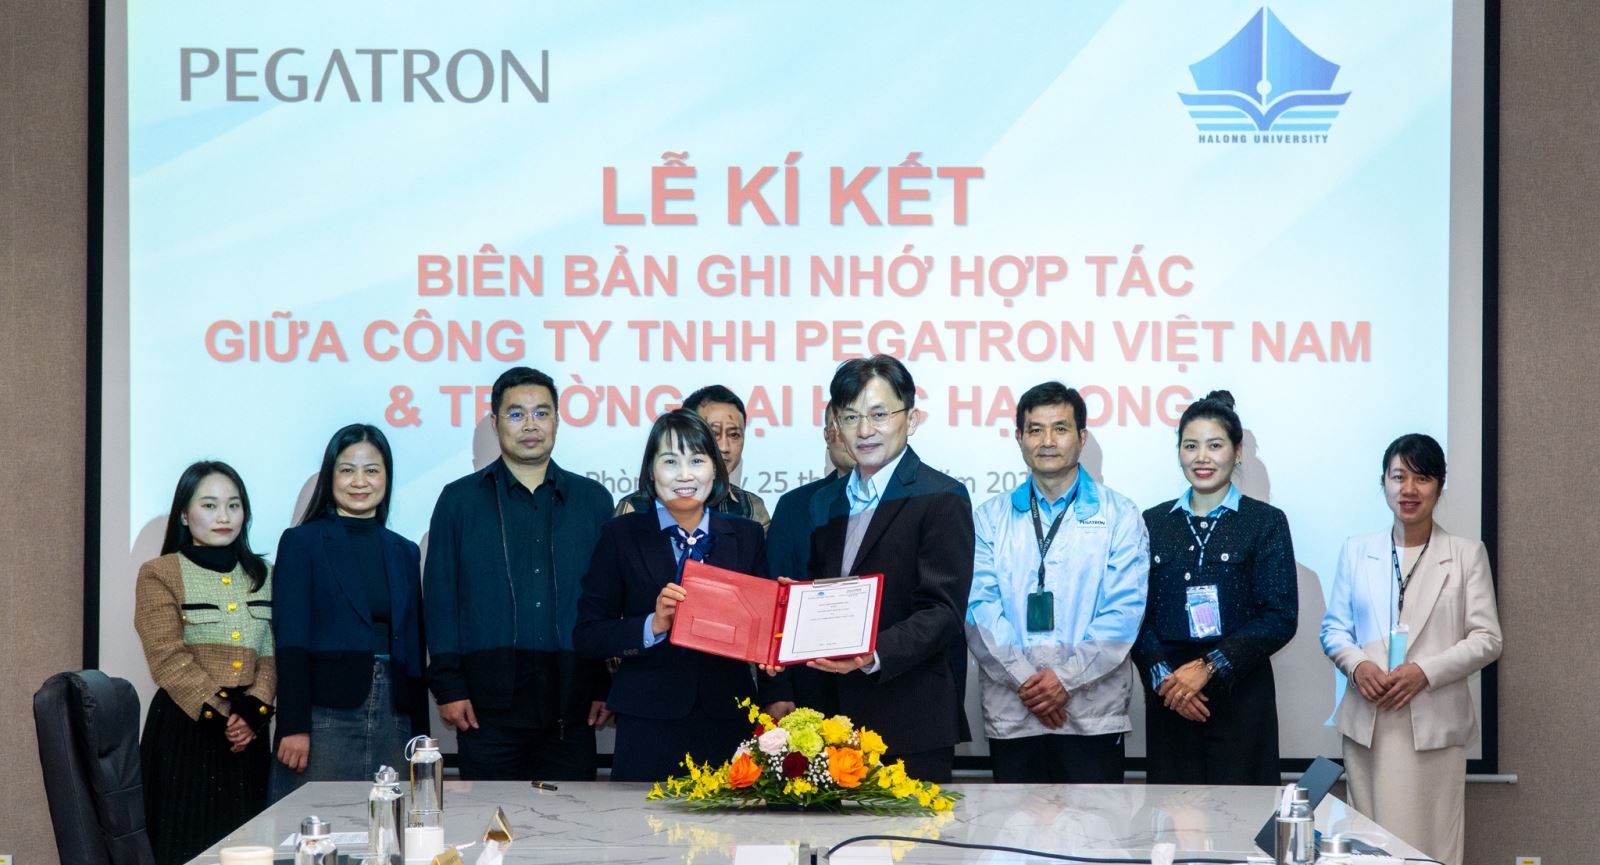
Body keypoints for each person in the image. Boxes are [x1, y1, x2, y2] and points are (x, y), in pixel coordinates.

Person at [574, 409, 792, 781]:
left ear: (715, 470)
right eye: (670, 461)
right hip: (648, 722)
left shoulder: (746, 535)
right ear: (651, 471)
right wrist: (653, 624)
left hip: (727, 719)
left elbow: (764, 628)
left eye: (697, 460)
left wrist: (777, 628)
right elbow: (588, 635)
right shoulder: (620, 535)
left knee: (727, 819)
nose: (685, 475)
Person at [424, 367, 615, 780]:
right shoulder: (458, 501)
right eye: (516, 414)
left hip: (572, 705)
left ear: (557, 421)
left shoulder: (593, 501)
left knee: (574, 819)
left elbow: (607, 601)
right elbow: (441, 600)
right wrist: (449, 687)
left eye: (541, 413)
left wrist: (604, 685)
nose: (530, 425)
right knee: (489, 818)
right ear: (495, 423)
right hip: (485, 710)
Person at [1320, 434, 1502, 865]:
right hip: (1370, 722)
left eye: (1422, 478)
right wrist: (1357, 665)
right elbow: (1334, 629)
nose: (1408, 489)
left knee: (1431, 847)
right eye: (1398, 476)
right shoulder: (1356, 550)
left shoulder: (1466, 554)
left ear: (1440, 485)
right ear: (1383, 482)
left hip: (1433, 725)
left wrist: (1425, 671)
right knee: (1371, 847)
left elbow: (1487, 639)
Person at [802, 355, 974, 782]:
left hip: (910, 720)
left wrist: (872, 652)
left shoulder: (942, 497)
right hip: (833, 720)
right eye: (851, 417)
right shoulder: (826, 502)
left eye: (879, 415)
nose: (864, 430)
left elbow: (943, 611)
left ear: (910, 419)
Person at [967, 382, 1149, 783]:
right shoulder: (989, 517)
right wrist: (1027, 682)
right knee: (1008, 825)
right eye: (1035, 429)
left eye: (1060, 428)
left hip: (1091, 715)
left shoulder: (1120, 515)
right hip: (1014, 712)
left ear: (1082, 437)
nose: (1047, 441)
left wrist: (1064, 680)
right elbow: (979, 609)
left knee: (1098, 825)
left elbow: (1123, 613)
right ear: (1019, 437)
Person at [1131, 390, 1297, 785]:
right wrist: (1167, 682)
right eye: (1191, 446)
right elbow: (1134, 612)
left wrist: (1209, 667)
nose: (1201, 457)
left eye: (1214, 445)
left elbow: (1280, 616)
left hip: (1242, 696)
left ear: (1237, 453)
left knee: (1244, 816)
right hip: (1171, 698)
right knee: (1172, 815)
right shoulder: (1152, 522)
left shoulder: (1265, 522)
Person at [270, 424, 427, 797]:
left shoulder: (405, 551)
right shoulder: (301, 542)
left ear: (386, 477)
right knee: (315, 819)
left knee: (390, 822)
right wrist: (293, 725)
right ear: (331, 476)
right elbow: (290, 640)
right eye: (347, 470)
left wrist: (421, 738)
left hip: (394, 714)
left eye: (371, 470)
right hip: (325, 715)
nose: (360, 481)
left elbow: (414, 647)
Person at [134, 461, 275, 865]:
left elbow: (271, 653)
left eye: (234, 505)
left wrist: (253, 712)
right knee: (185, 847)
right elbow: (166, 656)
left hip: (249, 733)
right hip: (186, 730)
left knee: (248, 849)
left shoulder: (264, 574)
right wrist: (223, 716)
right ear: (184, 514)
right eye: (209, 505)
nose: (223, 516)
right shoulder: (159, 573)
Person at [615, 385, 770, 529]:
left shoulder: (751, 508)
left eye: (734, 435)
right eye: (713, 433)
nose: (724, 447)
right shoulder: (634, 508)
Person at [766, 406, 856, 582]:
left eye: (854, 420)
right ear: (827, 436)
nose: (850, 435)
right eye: (840, 424)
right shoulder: (792, 506)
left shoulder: (908, 500)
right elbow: (776, 582)